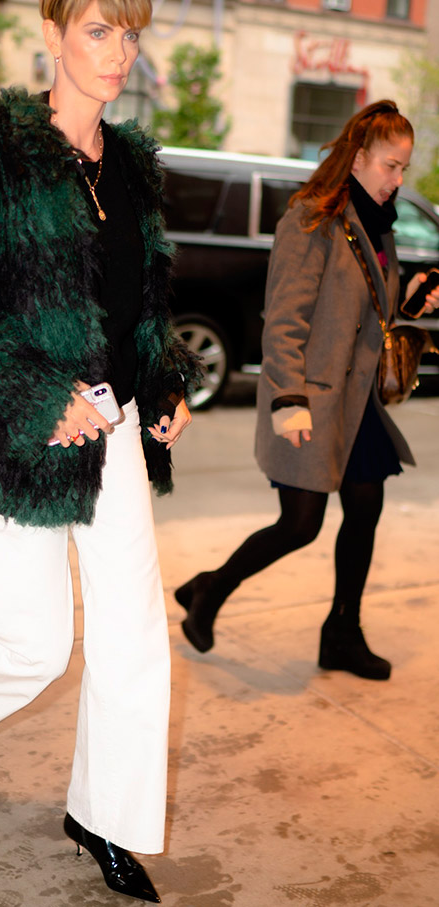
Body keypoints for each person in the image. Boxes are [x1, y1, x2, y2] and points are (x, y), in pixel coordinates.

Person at [0, 0, 199, 903]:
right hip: (20, 430)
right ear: (54, 32)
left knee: (134, 636)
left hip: (113, 429)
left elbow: (138, 305)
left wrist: (163, 384)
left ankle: (103, 817)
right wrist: (35, 393)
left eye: (130, 34)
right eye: (99, 31)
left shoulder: (132, 166)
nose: (118, 53)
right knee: (34, 641)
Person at [176, 100, 439, 682]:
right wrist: (288, 400)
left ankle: (341, 632)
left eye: (404, 168)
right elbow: (285, 321)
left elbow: (368, 310)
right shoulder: (312, 220)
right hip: (312, 397)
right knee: (299, 524)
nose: (398, 179)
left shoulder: (378, 224)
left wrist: (412, 297)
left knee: (365, 506)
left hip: (359, 400)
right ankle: (209, 589)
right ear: (359, 157)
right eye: (391, 165)